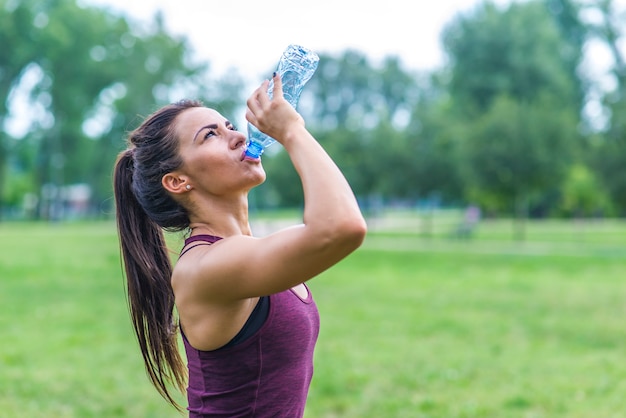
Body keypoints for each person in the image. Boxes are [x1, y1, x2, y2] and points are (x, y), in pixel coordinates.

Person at [113, 73, 367, 417]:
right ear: (178, 181)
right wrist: (291, 131)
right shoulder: (207, 267)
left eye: (229, 125)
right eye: (210, 135)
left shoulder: (244, 252)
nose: (236, 136)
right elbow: (341, 227)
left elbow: (329, 224)